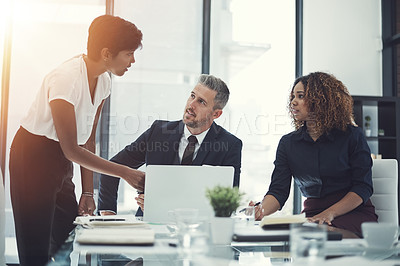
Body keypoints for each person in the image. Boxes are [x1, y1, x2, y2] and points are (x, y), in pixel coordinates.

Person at [9, 15, 145, 265]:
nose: (132, 61)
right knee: (36, 249)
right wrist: (125, 172)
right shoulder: (66, 78)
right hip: (33, 156)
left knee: (64, 236)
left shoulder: (104, 81)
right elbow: (72, 148)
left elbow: (87, 141)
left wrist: (88, 192)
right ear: (106, 53)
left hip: (62, 159)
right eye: (128, 54)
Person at [253, 72, 378, 237]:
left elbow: (363, 187)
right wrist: (261, 210)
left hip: (353, 213)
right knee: (302, 236)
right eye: (293, 97)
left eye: (301, 96)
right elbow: (278, 191)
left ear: (322, 100)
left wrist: (330, 214)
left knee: (320, 236)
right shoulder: (288, 143)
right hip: (313, 217)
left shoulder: (352, 136)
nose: (293, 102)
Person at [98, 74, 242, 216]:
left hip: (200, 233)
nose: (191, 105)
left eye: (201, 102)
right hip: (149, 228)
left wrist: (162, 207)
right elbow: (112, 169)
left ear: (216, 114)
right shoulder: (158, 132)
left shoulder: (230, 145)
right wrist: (108, 217)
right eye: (192, 96)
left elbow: (227, 204)